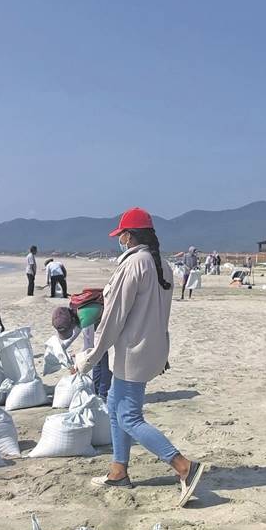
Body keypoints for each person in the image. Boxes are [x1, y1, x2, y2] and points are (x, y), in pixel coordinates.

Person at [74, 206, 206, 506]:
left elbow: (114, 317)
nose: (120, 240)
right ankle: (118, 471)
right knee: (114, 404)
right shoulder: (162, 264)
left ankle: (184, 466)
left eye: (121, 235)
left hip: (132, 352)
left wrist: (91, 356)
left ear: (129, 236)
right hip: (153, 348)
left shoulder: (134, 265)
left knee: (130, 416)